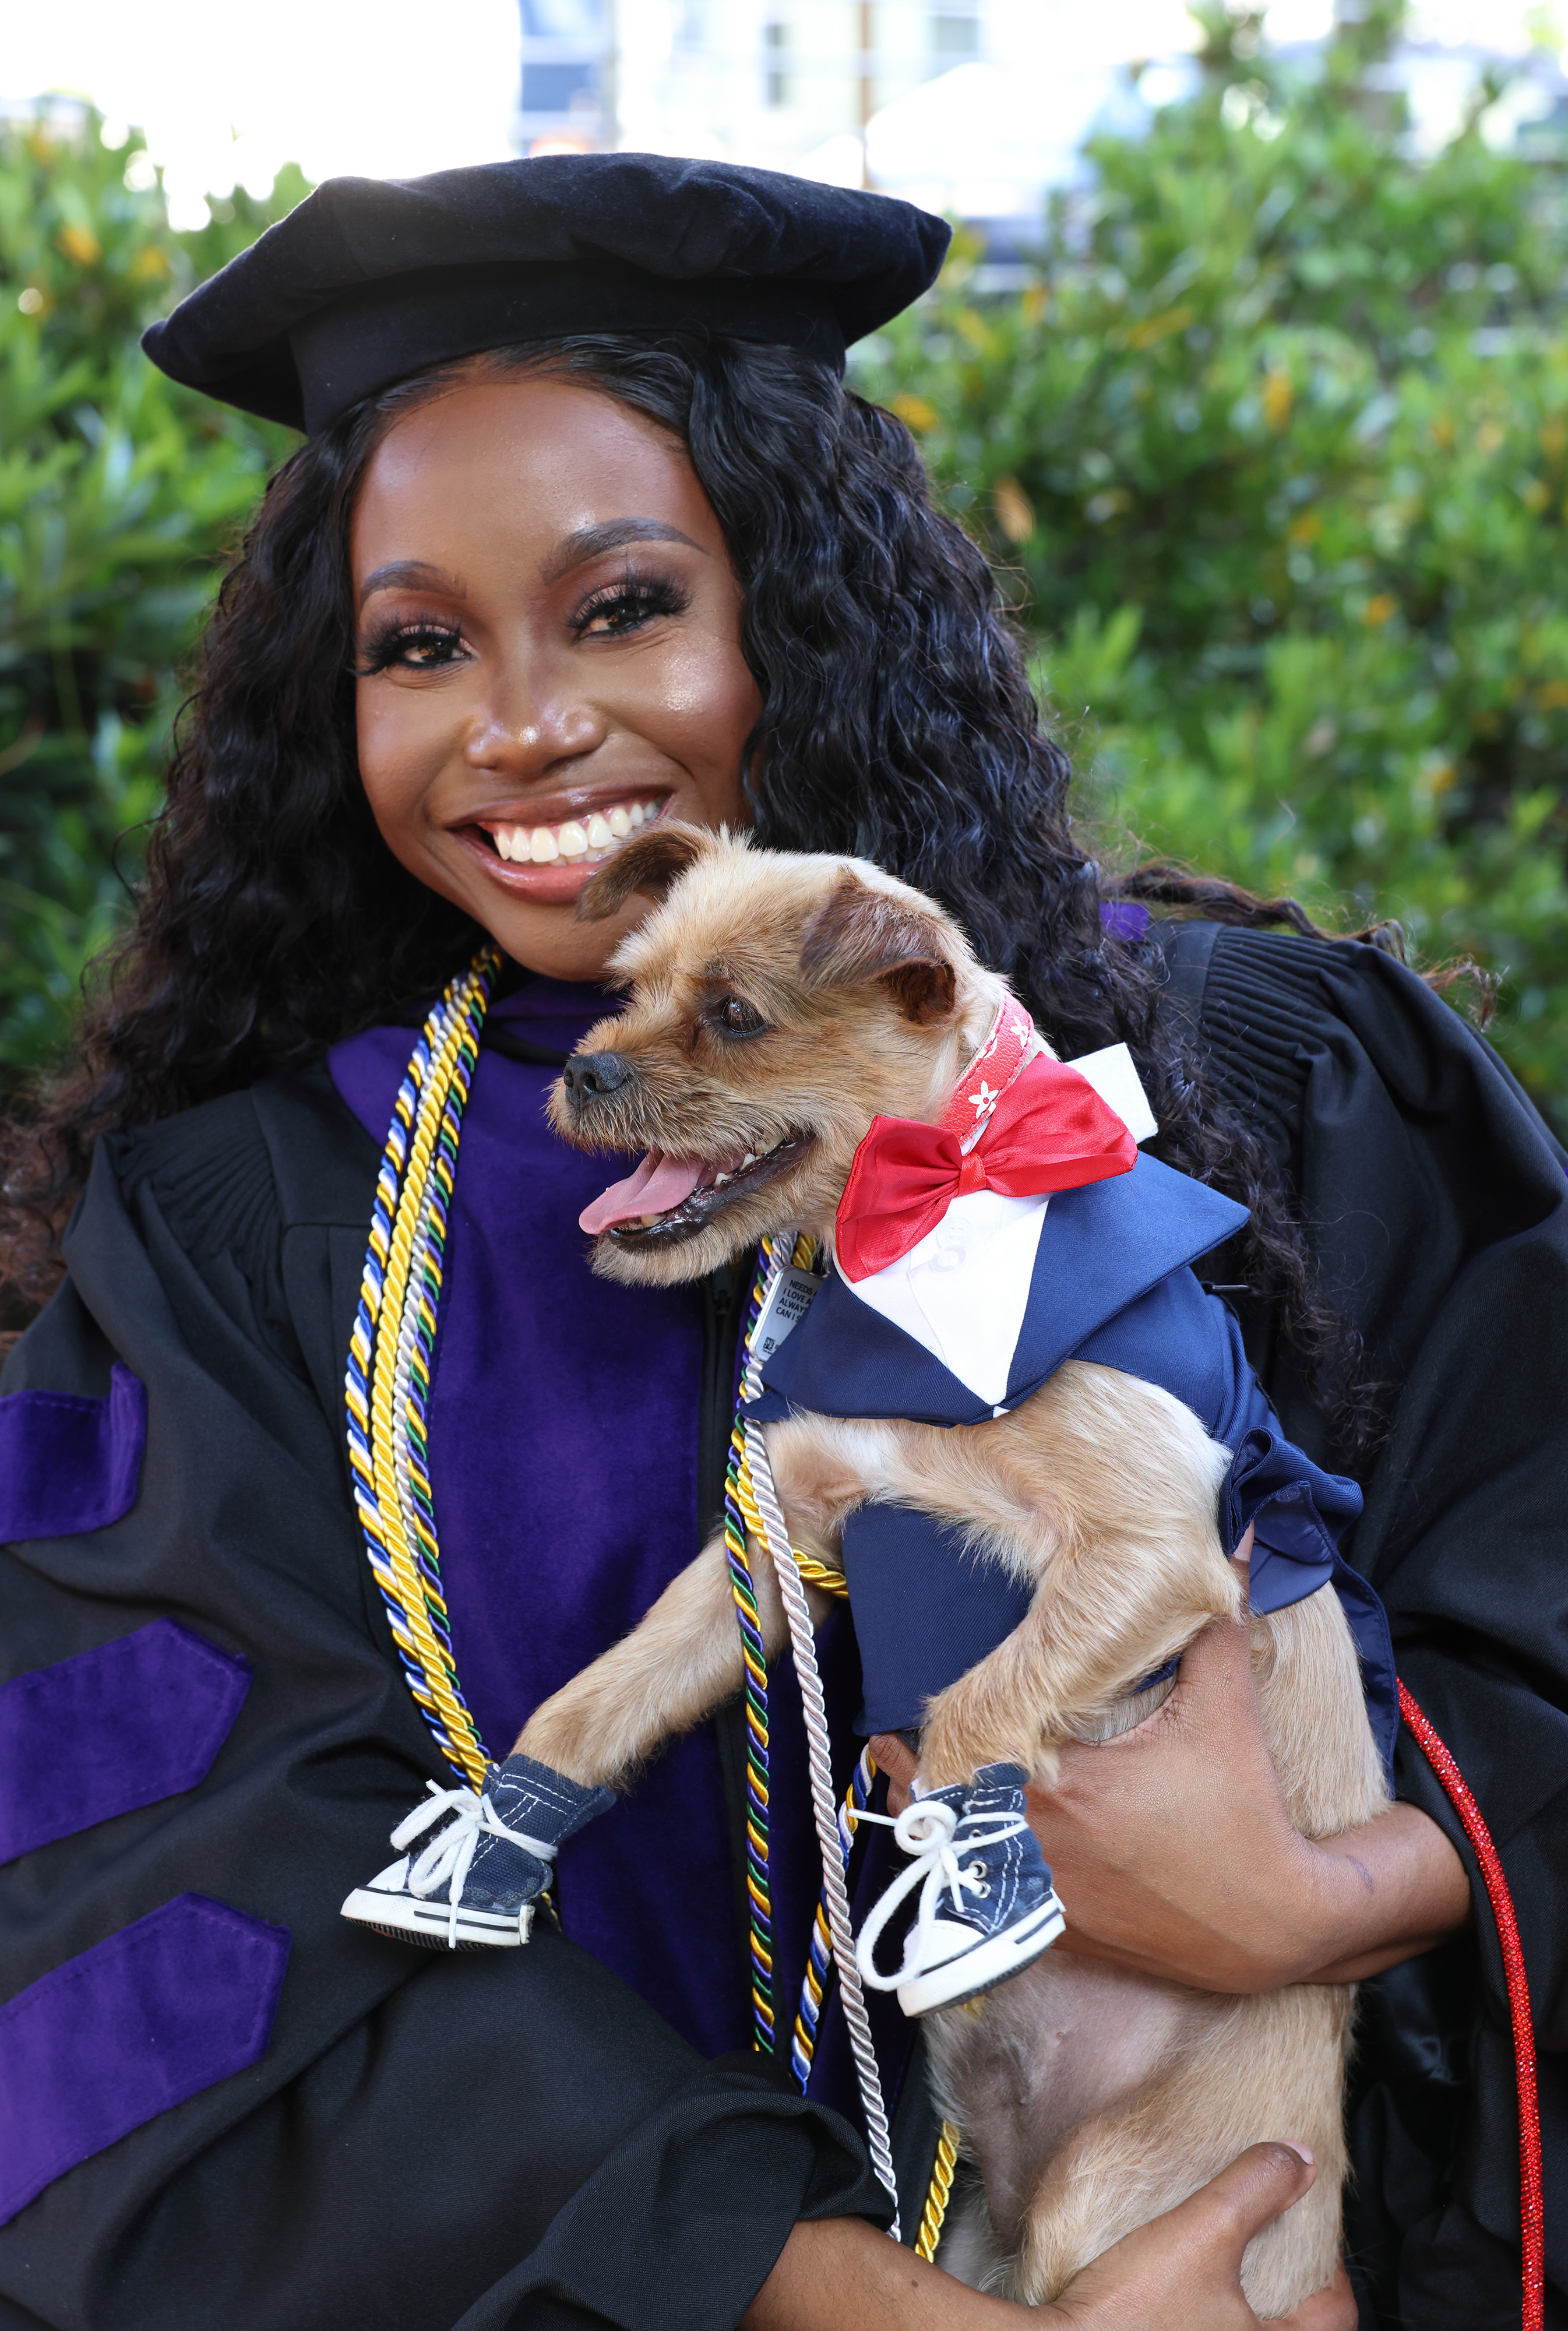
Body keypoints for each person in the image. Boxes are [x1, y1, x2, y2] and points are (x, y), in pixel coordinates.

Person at [0, 153, 1557, 2331]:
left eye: (625, 603)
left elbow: (1536, 1567)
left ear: (796, 612)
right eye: (417, 643)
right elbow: (172, 1888)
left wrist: (1326, 1899)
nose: (524, 723)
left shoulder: (1245, 1069)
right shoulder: (247, 1231)